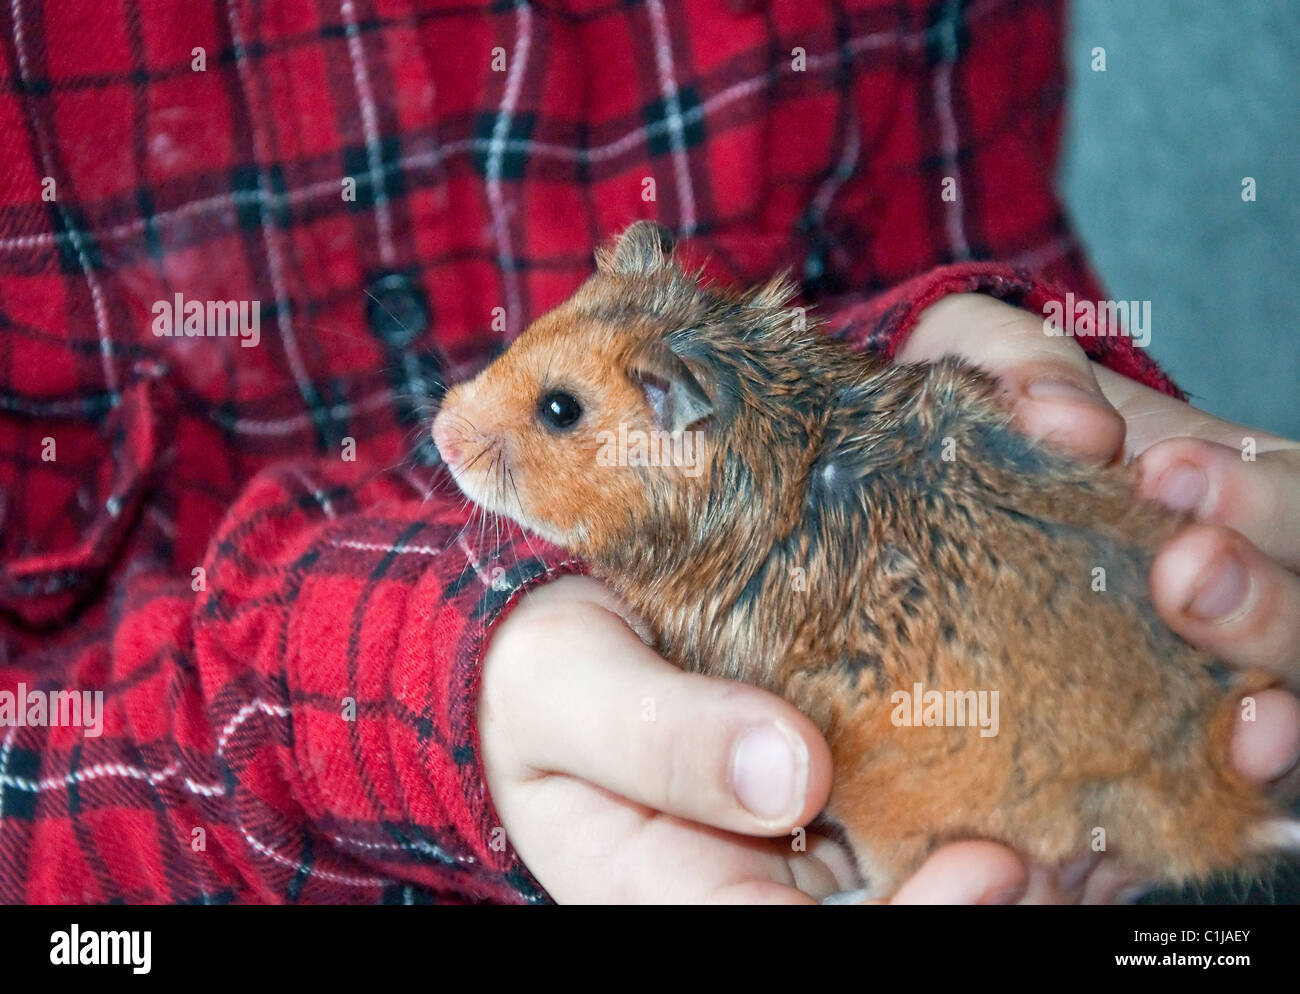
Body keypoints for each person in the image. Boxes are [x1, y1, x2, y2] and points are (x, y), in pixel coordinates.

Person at [0, 0, 1295, 904]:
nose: (464, 426)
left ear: (685, 416)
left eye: (557, 412)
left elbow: (949, 254)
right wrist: (368, 703)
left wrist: (1013, 349)